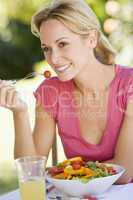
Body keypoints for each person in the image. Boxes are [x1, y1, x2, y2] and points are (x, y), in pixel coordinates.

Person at [0, 0, 133, 184]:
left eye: (62, 44)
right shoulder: (50, 92)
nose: (53, 59)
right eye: (46, 49)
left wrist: (65, 173)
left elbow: (124, 173)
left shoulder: (129, 85)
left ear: (91, 39)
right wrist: (19, 112)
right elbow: (31, 174)